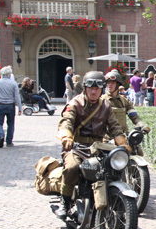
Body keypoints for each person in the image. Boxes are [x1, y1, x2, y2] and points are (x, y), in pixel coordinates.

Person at [54, 71, 129, 219]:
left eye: (97, 88)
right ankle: (65, 201)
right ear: (84, 88)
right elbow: (66, 120)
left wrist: (123, 143)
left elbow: (114, 126)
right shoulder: (75, 103)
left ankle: (118, 205)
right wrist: (66, 137)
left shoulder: (105, 105)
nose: (94, 91)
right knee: (72, 167)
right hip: (76, 146)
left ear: (102, 89)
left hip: (97, 148)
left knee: (114, 168)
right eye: (90, 88)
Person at [0, 66, 22, 148]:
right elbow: (17, 96)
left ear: (1, 74)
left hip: (0, 105)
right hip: (10, 106)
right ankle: (9, 142)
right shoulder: (13, 83)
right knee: (10, 124)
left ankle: (0, 136)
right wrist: (20, 107)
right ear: (10, 74)